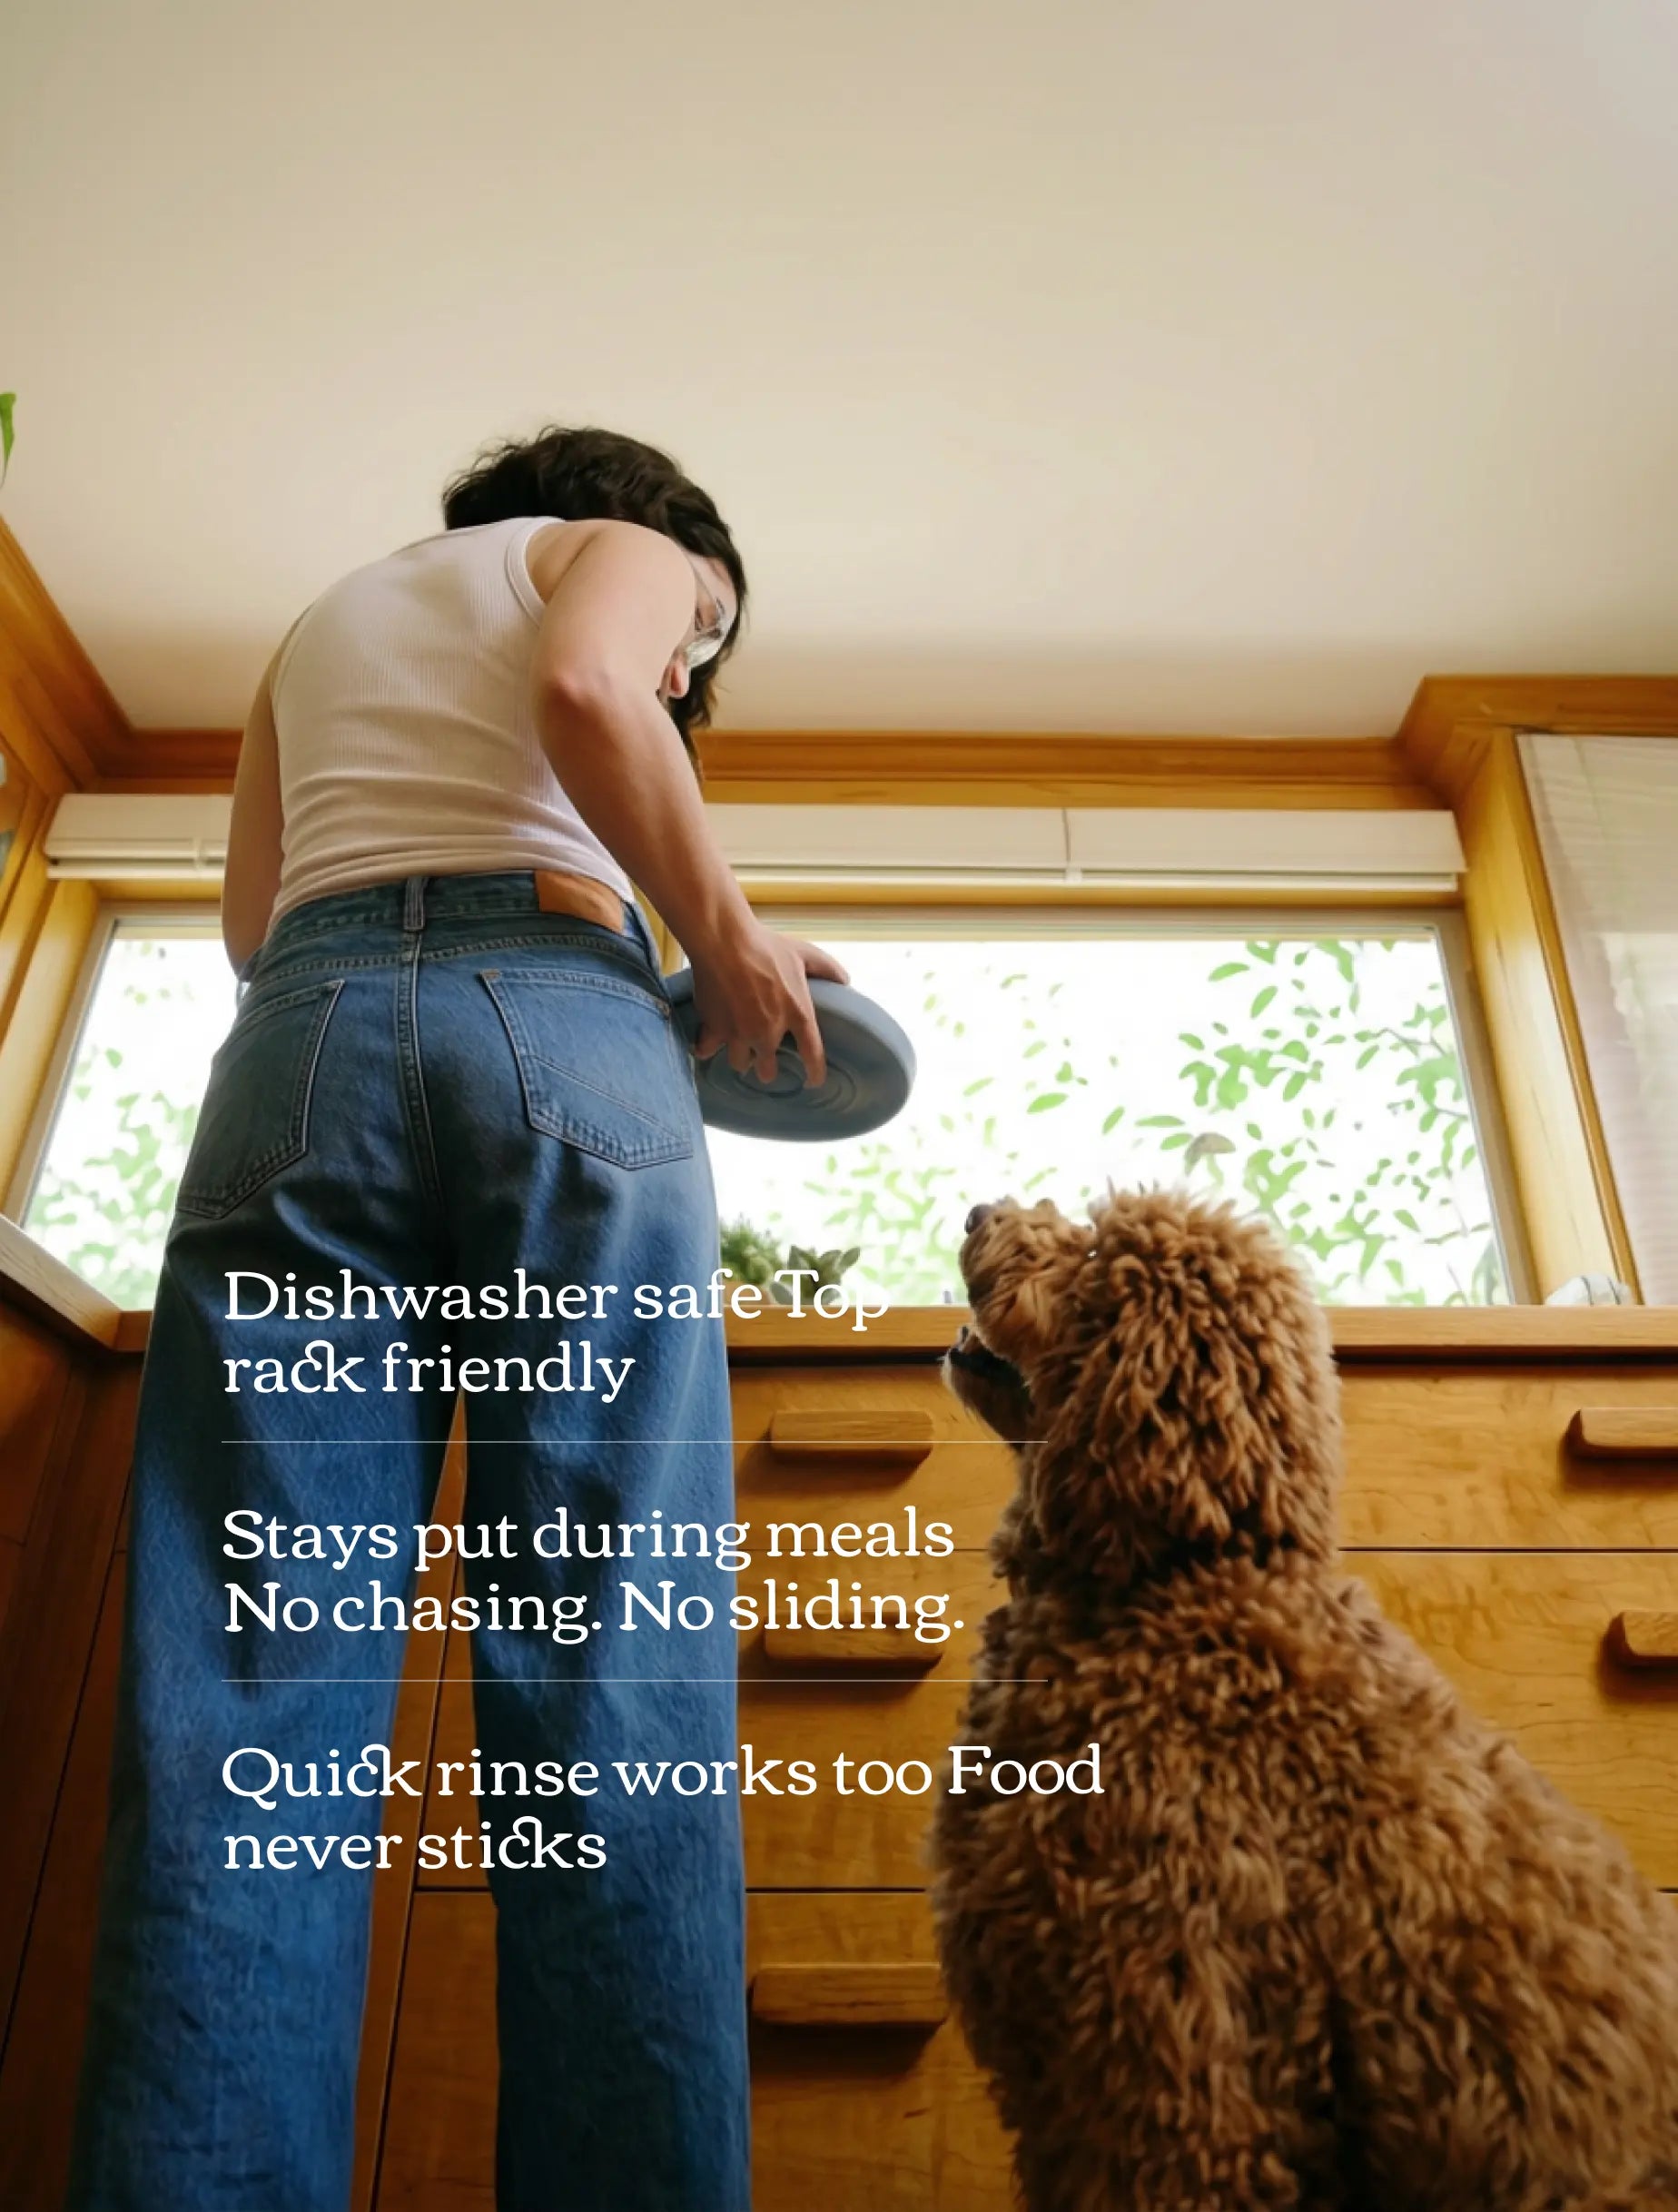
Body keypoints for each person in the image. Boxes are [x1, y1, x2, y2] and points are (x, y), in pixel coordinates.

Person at [68, 425, 847, 2212]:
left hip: (301, 1055)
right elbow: (590, 683)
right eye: (697, 655)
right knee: (606, 1675)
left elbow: (261, 925)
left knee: (249, 1716)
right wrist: (717, 934)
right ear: (676, 557)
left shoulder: (324, 622)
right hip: (564, 1015)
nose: (687, 660)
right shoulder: (644, 559)